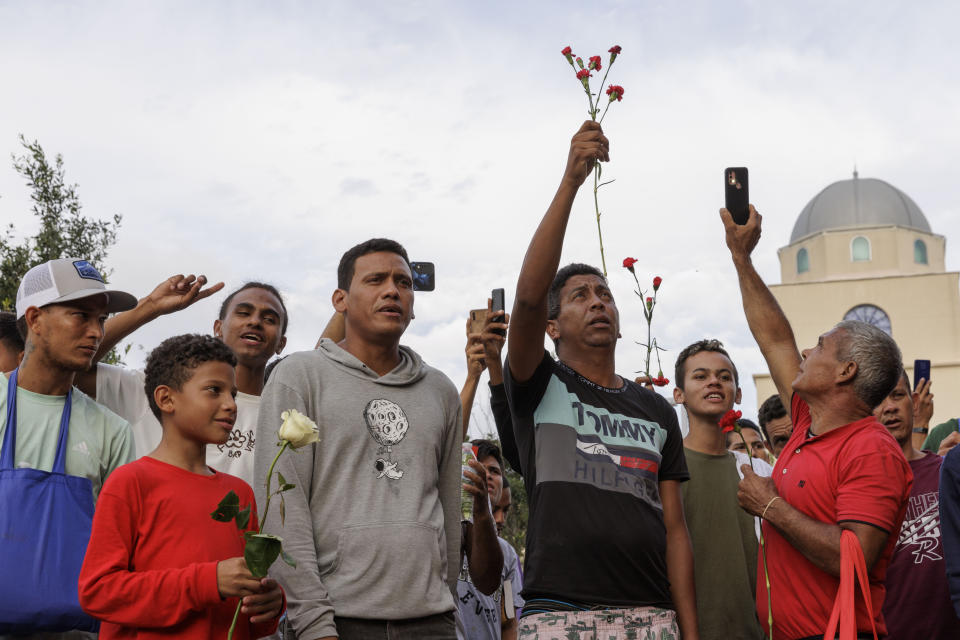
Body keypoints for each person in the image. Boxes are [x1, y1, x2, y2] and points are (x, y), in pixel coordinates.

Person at [504, 121, 696, 639]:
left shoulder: (656, 410)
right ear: (552, 325)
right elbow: (525, 298)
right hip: (558, 614)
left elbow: (676, 532)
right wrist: (570, 181)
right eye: (579, 296)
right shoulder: (538, 385)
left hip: (653, 617)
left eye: (604, 294)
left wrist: (690, 631)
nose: (597, 302)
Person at [254, 238, 462, 640]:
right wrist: (314, 623)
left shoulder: (441, 390)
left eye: (403, 282)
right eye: (376, 280)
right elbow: (282, 506)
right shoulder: (299, 376)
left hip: (431, 620)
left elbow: (450, 508)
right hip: (336, 620)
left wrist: (445, 598)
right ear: (341, 300)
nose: (392, 290)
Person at [724, 205, 912, 639]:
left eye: (821, 346)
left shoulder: (872, 449)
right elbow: (774, 337)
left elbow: (853, 558)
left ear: (846, 372)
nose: (806, 353)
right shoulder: (808, 420)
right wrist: (741, 259)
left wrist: (770, 506)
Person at [78, 334, 284, 638]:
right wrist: (207, 582)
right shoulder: (130, 483)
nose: (230, 404)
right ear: (166, 399)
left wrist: (270, 605)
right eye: (214, 390)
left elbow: (249, 612)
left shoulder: (240, 493)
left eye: (233, 393)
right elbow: (98, 592)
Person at [0, 258, 136, 638]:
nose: (96, 332)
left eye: (102, 319)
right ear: (34, 319)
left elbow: (123, 553)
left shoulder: (113, 430)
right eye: (80, 315)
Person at [75, 276, 287, 489]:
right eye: (243, 313)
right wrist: (151, 306)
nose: (255, 322)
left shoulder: (287, 420)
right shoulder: (158, 388)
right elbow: (74, 368)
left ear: (281, 343)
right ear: (218, 328)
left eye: (269, 319)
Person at [674, 339, 769, 640]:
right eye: (700, 376)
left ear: (738, 394)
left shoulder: (757, 472)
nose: (714, 381)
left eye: (724, 376)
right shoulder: (664, 469)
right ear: (679, 394)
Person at [874, 368, 960, 638]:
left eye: (897, 395)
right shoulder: (856, 486)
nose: (889, 408)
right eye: (877, 400)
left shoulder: (946, 471)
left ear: (914, 403)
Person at [457, 440, 517, 640]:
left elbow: (508, 621)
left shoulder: (507, 554)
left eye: (494, 471)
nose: (487, 475)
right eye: (479, 468)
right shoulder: (444, 534)